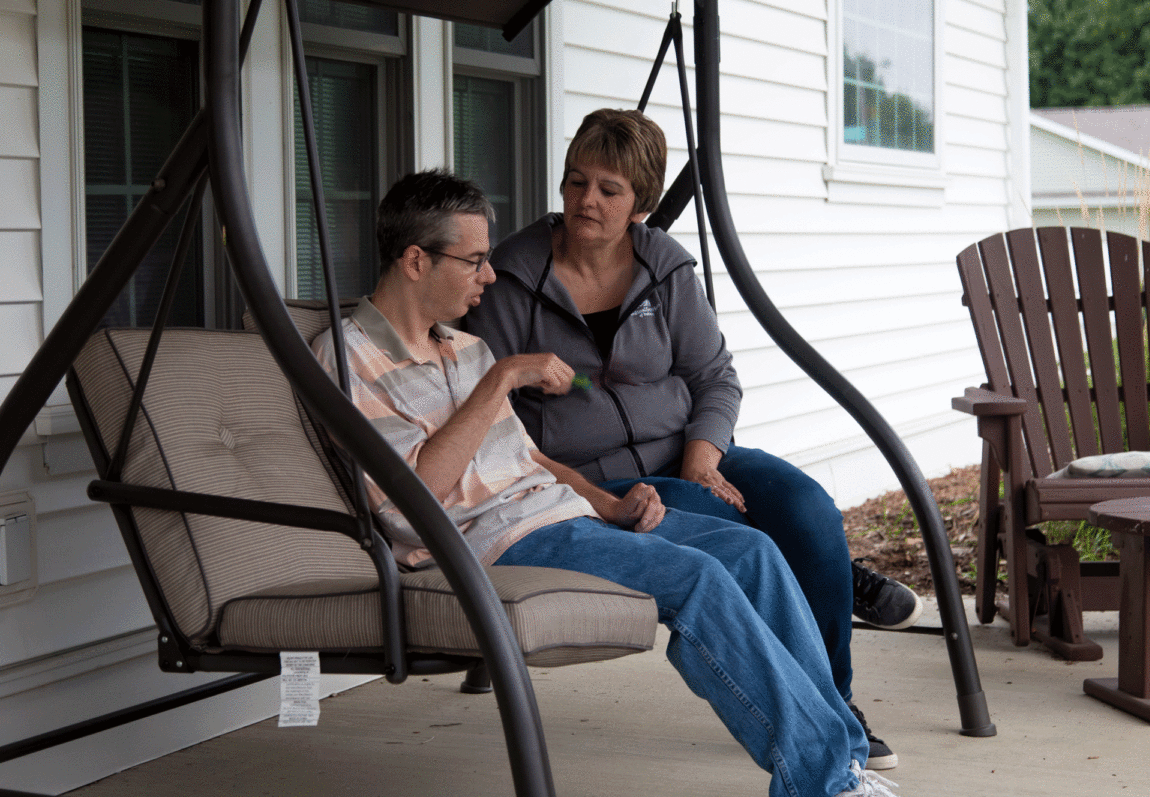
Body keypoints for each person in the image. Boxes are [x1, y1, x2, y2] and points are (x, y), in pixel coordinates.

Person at [312, 169, 902, 797]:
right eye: (475, 261)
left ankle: (848, 760)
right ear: (414, 261)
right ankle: (825, 785)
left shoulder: (463, 348)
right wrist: (505, 378)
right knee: (698, 579)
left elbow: (529, 459)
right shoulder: (347, 360)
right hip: (490, 540)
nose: (488, 276)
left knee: (753, 551)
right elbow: (412, 503)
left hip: (558, 513)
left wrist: (608, 504)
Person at [464, 108, 921, 770]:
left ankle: (834, 702)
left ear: (641, 204)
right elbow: (489, 409)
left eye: (608, 189)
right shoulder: (511, 279)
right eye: (575, 181)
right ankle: (828, 665)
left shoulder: (664, 266)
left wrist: (704, 456)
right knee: (720, 524)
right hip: (591, 479)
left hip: (687, 448)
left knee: (807, 509)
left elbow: (713, 376)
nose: (585, 200)